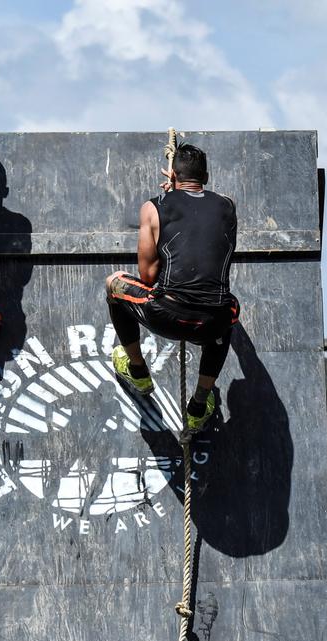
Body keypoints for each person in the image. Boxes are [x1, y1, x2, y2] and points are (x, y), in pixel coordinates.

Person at [105, 144, 239, 434]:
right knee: (229, 308)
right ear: (206, 176)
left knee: (114, 284)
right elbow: (199, 227)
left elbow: (148, 275)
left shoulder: (154, 207)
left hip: (166, 314)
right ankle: (199, 405)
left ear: (173, 174)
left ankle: (138, 371)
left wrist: (166, 199)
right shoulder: (228, 206)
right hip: (210, 324)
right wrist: (176, 191)